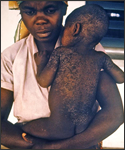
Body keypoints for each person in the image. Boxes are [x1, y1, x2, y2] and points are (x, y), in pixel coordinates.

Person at [1, 1, 124, 149]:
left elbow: (114, 114)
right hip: (67, 136)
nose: (40, 20)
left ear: (64, 9)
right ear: (21, 12)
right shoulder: (11, 56)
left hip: (76, 141)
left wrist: (56, 147)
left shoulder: (87, 51)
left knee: (25, 129)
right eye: (30, 12)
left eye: (50, 10)